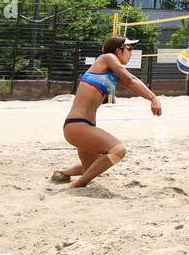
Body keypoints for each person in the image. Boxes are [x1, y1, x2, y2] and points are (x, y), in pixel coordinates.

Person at [51, 35, 162, 188]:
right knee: (118, 151)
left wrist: (150, 97)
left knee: (92, 167)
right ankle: (77, 185)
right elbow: (130, 79)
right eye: (129, 49)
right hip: (78, 126)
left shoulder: (113, 72)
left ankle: (63, 173)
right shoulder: (107, 57)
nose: (131, 52)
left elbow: (131, 83)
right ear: (118, 51)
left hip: (83, 127)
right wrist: (153, 98)